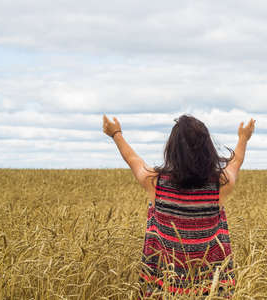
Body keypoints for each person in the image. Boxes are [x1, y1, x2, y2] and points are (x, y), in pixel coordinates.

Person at [102, 114, 255, 298]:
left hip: (164, 289)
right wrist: (243, 138)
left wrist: (116, 134)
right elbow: (236, 162)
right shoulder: (220, 184)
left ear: (172, 150)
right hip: (209, 290)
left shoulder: (155, 182)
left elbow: (134, 160)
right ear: (208, 149)